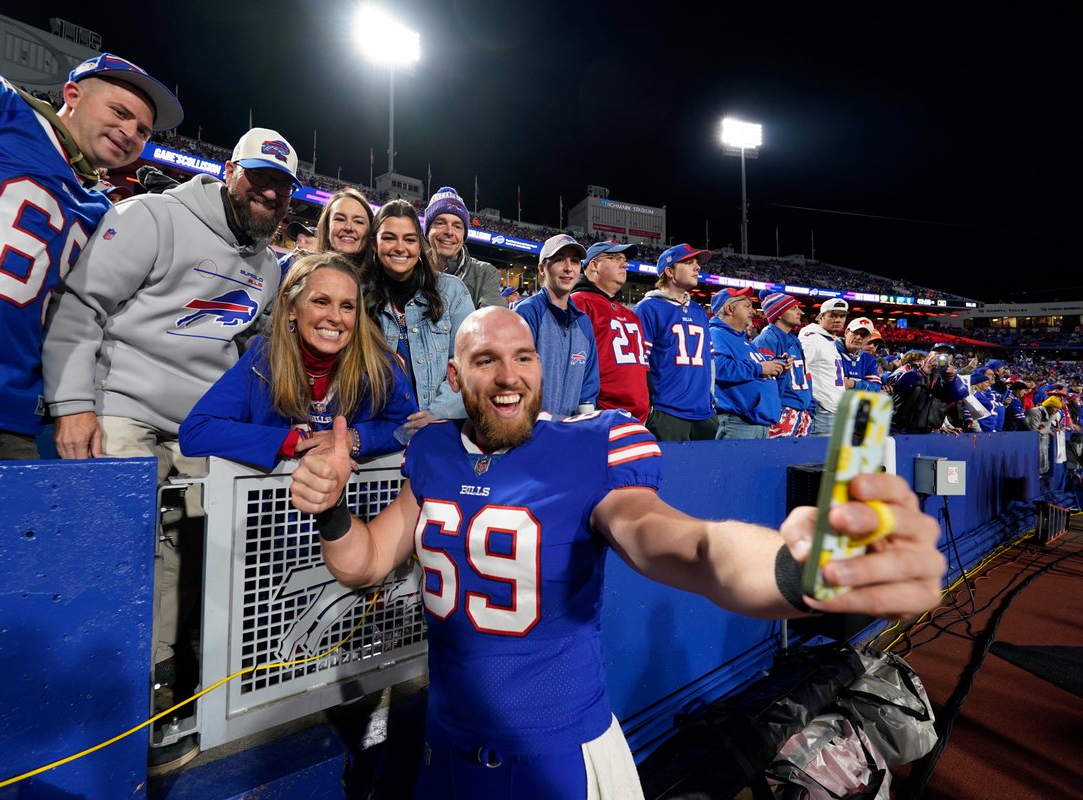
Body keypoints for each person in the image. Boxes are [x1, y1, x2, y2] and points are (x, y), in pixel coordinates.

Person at [290, 306, 946, 800]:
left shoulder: (591, 445)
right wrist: (331, 509)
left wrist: (793, 570)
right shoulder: (432, 451)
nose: (509, 374)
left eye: (524, 357)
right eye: (486, 360)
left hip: (554, 759)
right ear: (455, 375)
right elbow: (365, 562)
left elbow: (677, 543)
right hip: (445, 746)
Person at [42, 126, 302, 775]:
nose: (268, 193)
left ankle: (174, 687)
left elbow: (249, 358)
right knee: (121, 553)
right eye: (258, 178)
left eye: (281, 186)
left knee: (206, 556)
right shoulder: (157, 216)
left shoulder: (268, 267)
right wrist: (72, 403)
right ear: (230, 172)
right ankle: (104, 707)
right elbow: (82, 303)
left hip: (199, 427)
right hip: (124, 406)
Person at [0, 52, 180, 462]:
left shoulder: (100, 210)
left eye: (143, 130)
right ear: (72, 94)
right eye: (119, 111)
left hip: (11, 414)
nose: (130, 132)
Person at [179, 253, 416, 469]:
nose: (335, 318)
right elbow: (197, 431)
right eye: (321, 302)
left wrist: (353, 438)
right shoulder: (263, 357)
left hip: (353, 502)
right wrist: (291, 442)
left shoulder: (379, 365)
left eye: (347, 306)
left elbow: (411, 429)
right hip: (274, 505)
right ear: (291, 306)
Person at [364, 199, 473, 438]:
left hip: (441, 432)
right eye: (389, 238)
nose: (400, 247)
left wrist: (436, 412)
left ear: (420, 245)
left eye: (410, 239)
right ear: (374, 243)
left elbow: (470, 363)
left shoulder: (452, 291)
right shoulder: (359, 295)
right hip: (381, 436)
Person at [634, 243, 718, 441]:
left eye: (697, 263)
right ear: (670, 271)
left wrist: (711, 400)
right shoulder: (647, 309)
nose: (697, 267)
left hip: (704, 413)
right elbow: (640, 364)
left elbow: (710, 361)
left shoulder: (699, 311)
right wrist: (650, 409)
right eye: (689, 263)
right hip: (667, 413)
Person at [513, 234, 599, 418]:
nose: (568, 268)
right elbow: (513, 375)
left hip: (569, 429)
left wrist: (584, 421)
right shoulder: (527, 312)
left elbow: (588, 383)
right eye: (559, 260)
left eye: (575, 261)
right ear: (542, 269)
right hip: (529, 426)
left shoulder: (583, 321)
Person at [573, 241, 650, 422]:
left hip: (639, 416)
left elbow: (643, 367)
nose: (623, 264)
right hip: (601, 414)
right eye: (615, 258)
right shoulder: (579, 303)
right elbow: (574, 363)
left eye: (624, 260)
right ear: (594, 265)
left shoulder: (630, 314)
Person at [709, 289, 786, 439]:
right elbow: (718, 368)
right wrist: (761, 367)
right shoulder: (716, 334)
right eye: (747, 306)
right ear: (729, 309)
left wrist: (778, 367)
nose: (753, 311)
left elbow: (761, 372)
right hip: (738, 423)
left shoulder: (743, 340)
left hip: (757, 422)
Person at [425, 185, 504, 309]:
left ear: (464, 235)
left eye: (457, 226)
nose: (449, 232)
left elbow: (495, 322)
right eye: (440, 223)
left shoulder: (485, 274)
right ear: (427, 230)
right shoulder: (411, 271)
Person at [753, 290, 814, 437]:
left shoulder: (793, 338)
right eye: (794, 308)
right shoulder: (767, 339)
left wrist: (810, 405)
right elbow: (766, 382)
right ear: (779, 313)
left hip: (801, 410)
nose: (800, 312)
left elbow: (804, 375)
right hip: (783, 410)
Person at [890, 344, 968, 435]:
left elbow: (958, 396)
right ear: (929, 355)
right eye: (938, 352)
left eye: (947, 354)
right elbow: (896, 385)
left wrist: (950, 380)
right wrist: (921, 372)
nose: (942, 356)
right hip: (899, 430)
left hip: (927, 433)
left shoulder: (949, 378)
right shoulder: (909, 368)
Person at [800, 298, 850, 435]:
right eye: (832, 316)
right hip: (823, 412)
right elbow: (798, 371)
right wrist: (811, 402)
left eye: (842, 316)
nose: (838, 320)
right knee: (820, 455)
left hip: (834, 410)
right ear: (821, 317)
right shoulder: (811, 339)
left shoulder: (828, 339)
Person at [316, 188, 375, 273]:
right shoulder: (305, 275)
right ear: (327, 228)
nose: (348, 227)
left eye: (358, 221)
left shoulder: (382, 282)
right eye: (340, 219)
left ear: (370, 232)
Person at [839, 317, 883, 392]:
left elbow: (875, 387)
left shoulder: (869, 359)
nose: (859, 337)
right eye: (855, 333)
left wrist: (853, 384)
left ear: (869, 338)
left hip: (856, 401)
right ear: (846, 333)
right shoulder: (831, 350)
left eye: (863, 335)